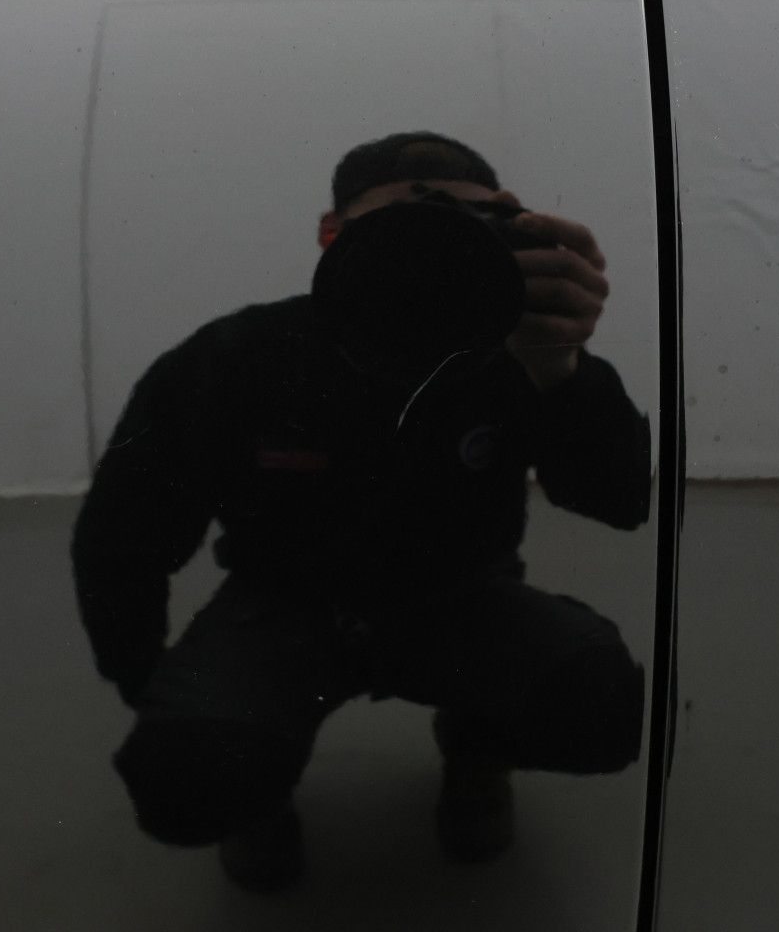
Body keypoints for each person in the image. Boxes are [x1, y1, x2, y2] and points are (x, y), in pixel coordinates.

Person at [70, 131, 652, 891]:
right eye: (404, 222)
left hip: (459, 600)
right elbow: (125, 535)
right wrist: (154, 689)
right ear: (330, 233)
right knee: (187, 773)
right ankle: (255, 796)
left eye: (467, 224)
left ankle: (477, 748)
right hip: (283, 605)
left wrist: (562, 372)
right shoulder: (238, 356)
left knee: (602, 707)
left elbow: (621, 500)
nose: (430, 250)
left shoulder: (515, 354)